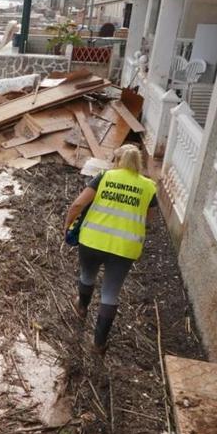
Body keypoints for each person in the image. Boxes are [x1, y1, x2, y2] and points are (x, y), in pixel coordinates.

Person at [63, 145, 158, 354]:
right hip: (125, 247)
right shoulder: (149, 187)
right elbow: (148, 221)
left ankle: (81, 308)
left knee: (88, 274)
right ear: (139, 163)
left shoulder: (104, 177)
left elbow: (78, 205)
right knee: (110, 293)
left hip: (92, 240)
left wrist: (67, 226)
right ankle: (98, 344)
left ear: (118, 160)